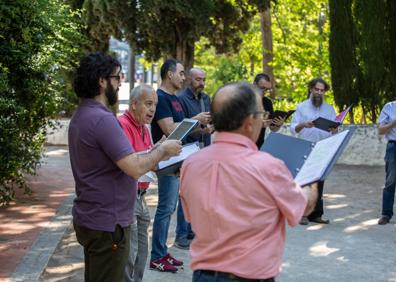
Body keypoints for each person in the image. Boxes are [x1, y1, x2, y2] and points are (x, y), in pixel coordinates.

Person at [180, 82, 318, 282]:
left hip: (204, 275)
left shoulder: (191, 164)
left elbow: (191, 217)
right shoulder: (268, 166)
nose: (264, 120)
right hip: (251, 276)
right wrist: (311, 179)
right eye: (262, 115)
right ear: (249, 122)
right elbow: (304, 207)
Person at [69, 52, 181, 282]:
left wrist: (153, 151)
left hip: (93, 218)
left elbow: (120, 159)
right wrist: (162, 151)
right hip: (108, 223)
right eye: (117, 78)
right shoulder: (104, 120)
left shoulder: (82, 114)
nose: (120, 83)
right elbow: (133, 167)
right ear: (102, 81)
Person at [118, 84, 158, 282]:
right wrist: (156, 154)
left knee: (143, 251)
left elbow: (149, 160)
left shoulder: (145, 128)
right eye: (148, 104)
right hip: (127, 196)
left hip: (142, 196)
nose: (152, 109)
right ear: (134, 104)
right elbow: (131, 162)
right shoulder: (121, 125)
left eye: (155, 105)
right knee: (130, 253)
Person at [174, 67, 213, 250]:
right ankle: (181, 234)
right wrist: (199, 128)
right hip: (188, 151)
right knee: (186, 193)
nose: (202, 83)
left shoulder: (206, 98)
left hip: (205, 149)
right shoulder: (181, 99)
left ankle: (192, 230)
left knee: (199, 194)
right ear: (189, 79)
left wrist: (210, 128)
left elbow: (210, 122)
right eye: (198, 79)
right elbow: (181, 129)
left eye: (204, 79)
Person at [290, 77, 337, 225]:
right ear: (311, 89)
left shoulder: (329, 109)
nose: (319, 92)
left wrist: (334, 129)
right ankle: (302, 214)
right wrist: (303, 124)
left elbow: (333, 131)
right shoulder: (301, 107)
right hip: (305, 146)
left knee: (319, 181)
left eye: (322, 90)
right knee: (304, 181)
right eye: (316, 89)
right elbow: (293, 128)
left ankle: (316, 214)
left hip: (322, 148)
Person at [253, 73, 284, 149]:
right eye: (262, 88)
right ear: (254, 84)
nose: (264, 91)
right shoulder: (241, 99)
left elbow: (272, 128)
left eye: (267, 89)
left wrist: (278, 124)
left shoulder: (267, 102)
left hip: (259, 147)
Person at [377, 101, 396, 225]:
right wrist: (393, 123)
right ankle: (386, 214)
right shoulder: (390, 107)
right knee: (390, 182)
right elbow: (380, 130)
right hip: (393, 147)